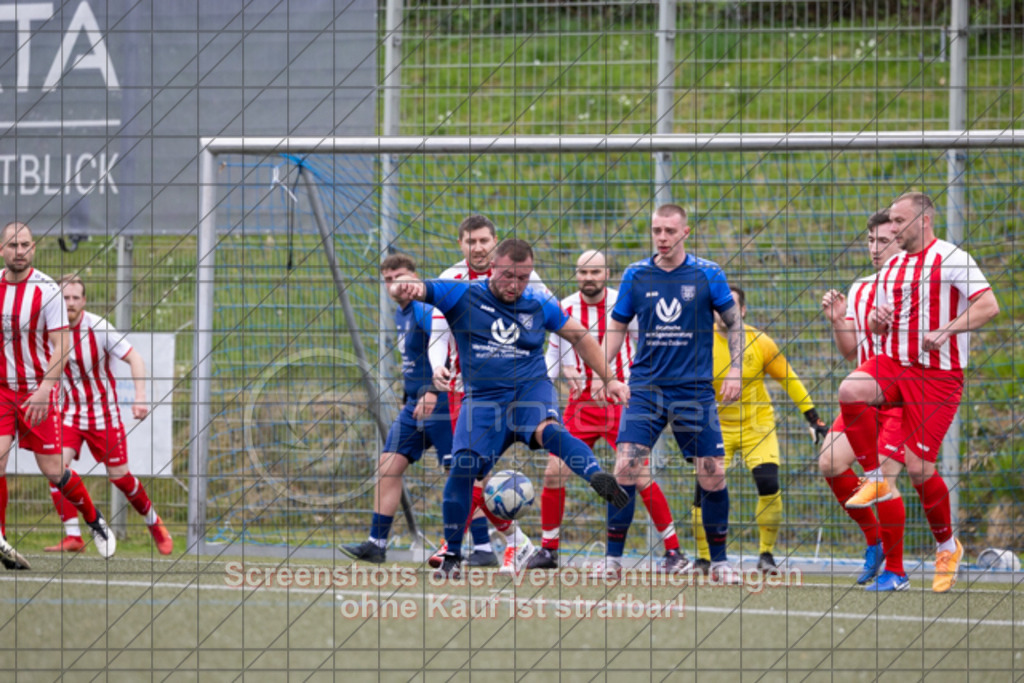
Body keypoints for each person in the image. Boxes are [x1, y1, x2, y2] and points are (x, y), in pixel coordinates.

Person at [391, 238, 630, 580]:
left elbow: (579, 336)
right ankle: (454, 556)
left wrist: (610, 379)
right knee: (463, 466)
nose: (514, 285)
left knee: (550, 433)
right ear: (493, 268)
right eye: (507, 276)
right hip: (484, 398)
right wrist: (408, 287)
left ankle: (596, 477)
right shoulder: (463, 293)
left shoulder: (537, 302)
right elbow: (422, 289)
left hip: (529, 391)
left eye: (522, 278)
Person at [837, 192, 999, 593]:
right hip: (895, 365)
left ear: (924, 221)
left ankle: (947, 546)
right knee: (851, 388)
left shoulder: (952, 258)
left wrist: (946, 330)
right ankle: (873, 475)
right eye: (890, 221)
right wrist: (876, 320)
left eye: (898, 221)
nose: (891, 228)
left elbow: (989, 305)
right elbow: (880, 327)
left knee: (919, 470)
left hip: (937, 379)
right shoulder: (893, 268)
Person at [600, 204, 745, 583]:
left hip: (694, 391)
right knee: (626, 466)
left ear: (685, 232)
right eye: (656, 230)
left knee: (712, 473)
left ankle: (720, 563)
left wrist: (735, 369)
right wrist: (605, 372)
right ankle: (612, 561)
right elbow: (616, 327)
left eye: (669, 231)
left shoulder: (708, 273)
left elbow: (734, 323)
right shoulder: (636, 274)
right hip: (646, 387)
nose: (661, 238)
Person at [531, 250, 686, 573]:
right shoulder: (565, 306)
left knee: (637, 474)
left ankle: (673, 551)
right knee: (554, 471)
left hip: (621, 403)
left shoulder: (623, 304)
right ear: (577, 275)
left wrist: (616, 380)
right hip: (581, 405)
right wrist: (565, 371)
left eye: (595, 272)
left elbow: (645, 352)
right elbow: (554, 355)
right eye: (583, 272)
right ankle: (548, 550)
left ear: (607, 273)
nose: (589, 278)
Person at [426, 215, 546, 574]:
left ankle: (457, 546)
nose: (478, 247)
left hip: (514, 393)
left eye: (483, 240)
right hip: (466, 391)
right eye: (470, 241)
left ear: (495, 242)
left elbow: (552, 324)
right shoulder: (451, 280)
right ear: (460, 244)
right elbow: (437, 334)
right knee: (470, 473)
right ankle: (515, 543)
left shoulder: (525, 276)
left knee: (472, 473)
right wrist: (436, 367)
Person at [689, 284, 830, 575]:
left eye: (730, 306)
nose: (722, 312)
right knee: (703, 490)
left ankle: (766, 554)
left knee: (768, 483)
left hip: (757, 426)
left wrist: (813, 417)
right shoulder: (700, 341)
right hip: (715, 428)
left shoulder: (761, 342)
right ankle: (704, 558)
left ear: (742, 310)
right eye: (718, 306)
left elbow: (788, 378)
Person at [0, 222, 114, 567]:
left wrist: (45, 389)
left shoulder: (47, 290)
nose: (19, 251)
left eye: (25, 245)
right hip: (3, 390)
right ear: (2, 249)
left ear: (33, 248)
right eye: (12, 245)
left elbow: (62, 345)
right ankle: (2, 541)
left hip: (39, 391)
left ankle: (95, 521)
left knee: (53, 470)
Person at [43, 275, 172, 555]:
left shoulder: (98, 328)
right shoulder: (48, 328)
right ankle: (74, 535)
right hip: (70, 415)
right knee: (55, 470)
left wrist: (140, 397)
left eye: (76, 297)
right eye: (65, 298)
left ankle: (154, 522)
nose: (70, 303)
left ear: (84, 301)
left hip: (104, 415)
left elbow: (134, 357)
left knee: (120, 477)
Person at [340, 254, 452, 563]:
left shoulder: (426, 308)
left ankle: (478, 546)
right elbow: (414, 361)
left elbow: (448, 346)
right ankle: (376, 544)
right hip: (415, 405)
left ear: (416, 276)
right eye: (389, 280)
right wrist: (409, 395)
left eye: (401, 276)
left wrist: (431, 389)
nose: (396, 284)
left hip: (442, 400)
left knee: (458, 473)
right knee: (388, 465)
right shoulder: (401, 313)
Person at [819, 210, 910, 591]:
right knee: (830, 463)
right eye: (871, 241)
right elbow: (852, 352)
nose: (875, 248)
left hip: (901, 400)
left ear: (901, 239)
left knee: (884, 481)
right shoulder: (861, 287)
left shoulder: (915, 282)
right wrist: (840, 320)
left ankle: (896, 569)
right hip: (862, 400)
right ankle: (873, 540)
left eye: (884, 240)